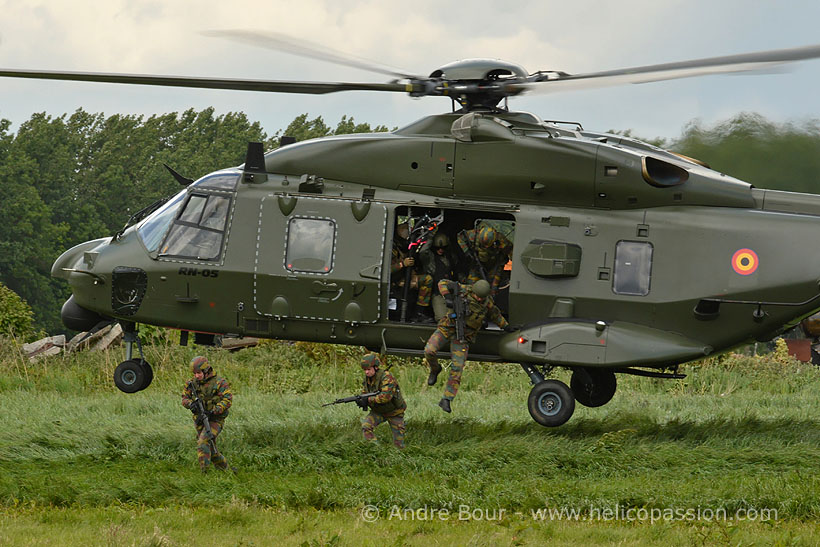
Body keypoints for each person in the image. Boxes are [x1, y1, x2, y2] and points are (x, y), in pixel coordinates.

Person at [424, 279, 513, 413]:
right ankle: (435, 369)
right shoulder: (463, 290)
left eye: (481, 297)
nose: (478, 299)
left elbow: (496, 315)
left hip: (464, 336)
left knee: (457, 368)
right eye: (477, 296)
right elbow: (442, 282)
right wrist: (448, 297)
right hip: (447, 327)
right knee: (429, 350)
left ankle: (447, 399)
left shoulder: (487, 303)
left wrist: (506, 327)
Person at [181, 356, 233, 472]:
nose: (196, 376)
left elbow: (227, 399)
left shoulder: (220, 382)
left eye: (199, 373)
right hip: (200, 420)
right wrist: (191, 404)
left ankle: (205, 473)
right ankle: (226, 471)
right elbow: (184, 398)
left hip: (215, 419)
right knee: (211, 449)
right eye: (194, 373)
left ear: (206, 370)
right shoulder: (192, 384)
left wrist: (215, 410)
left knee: (203, 442)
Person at [360, 352, 406, 449]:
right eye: (364, 370)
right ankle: (377, 450)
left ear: (376, 367)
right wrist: (361, 400)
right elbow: (365, 392)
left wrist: (368, 400)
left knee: (399, 445)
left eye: (368, 369)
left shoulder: (387, 377)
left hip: (394, 412)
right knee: (366, 427)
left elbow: (385, 397)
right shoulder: (368, 379)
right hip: (378, 411)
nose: (366, 372)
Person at [457, 224, 513, 297]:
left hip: (494, 266)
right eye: (483, 245)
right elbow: (460, 237)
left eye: (487, 246)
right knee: (471, 286)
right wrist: (466, 251)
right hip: (477, 263)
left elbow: (511, 251)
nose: (485, 247)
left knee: (493, 289)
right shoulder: (473, 235)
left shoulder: (501, 240)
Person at [415, 232, 456, 322]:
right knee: (443, 319)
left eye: (443, 248)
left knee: (455, 317)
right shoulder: (430, 260)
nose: (441, 250)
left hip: (451, 293)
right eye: (437, 248)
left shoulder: (449, 257)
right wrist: (430, 237)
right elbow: (423, 252)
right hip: (438, 294)